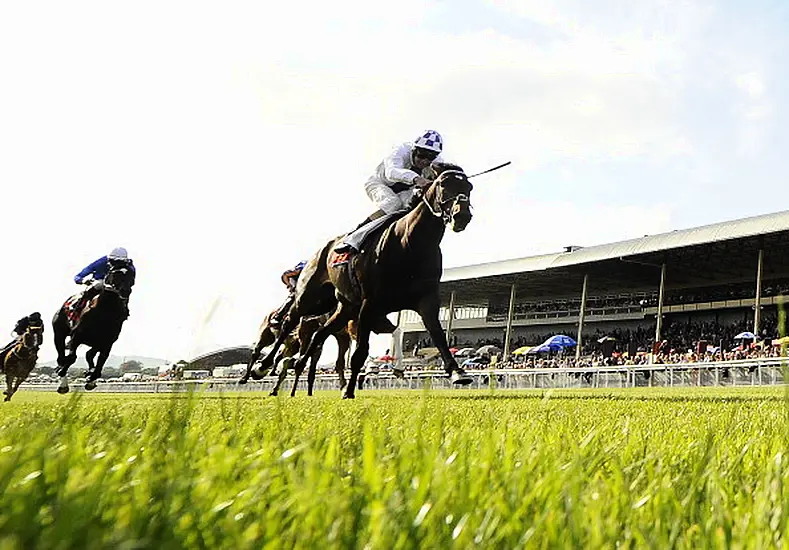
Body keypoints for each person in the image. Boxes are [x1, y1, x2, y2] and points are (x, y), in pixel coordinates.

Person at [333, 130, 445, 262]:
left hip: (404, 192)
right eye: (422, 155)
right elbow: (391, 172)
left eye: (430, 158)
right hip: (379, 184)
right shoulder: (400, 151)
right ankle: (353, 237)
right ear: (414, 149)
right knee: (393, 204)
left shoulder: (436, 163)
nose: (425, 161)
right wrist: (417, 179)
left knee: (410, 210)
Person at [70, 247, 136, 316]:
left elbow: (131, 282)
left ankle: (124, 310)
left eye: (119, 263)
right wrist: (82, 280)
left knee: (125, 292)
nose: (116, 265)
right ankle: (76, 310)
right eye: (113, 262)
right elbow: (79, 275)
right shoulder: (102, 262)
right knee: (98, 284)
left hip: (117, 287)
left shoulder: (129, 268)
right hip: (101, 283)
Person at [269, 260, 306, 327]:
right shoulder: (301, 267)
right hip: (292, 278)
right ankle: (277, 317)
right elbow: (285, 275)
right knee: (295, 294)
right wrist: (289, 285)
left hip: (303, 278)